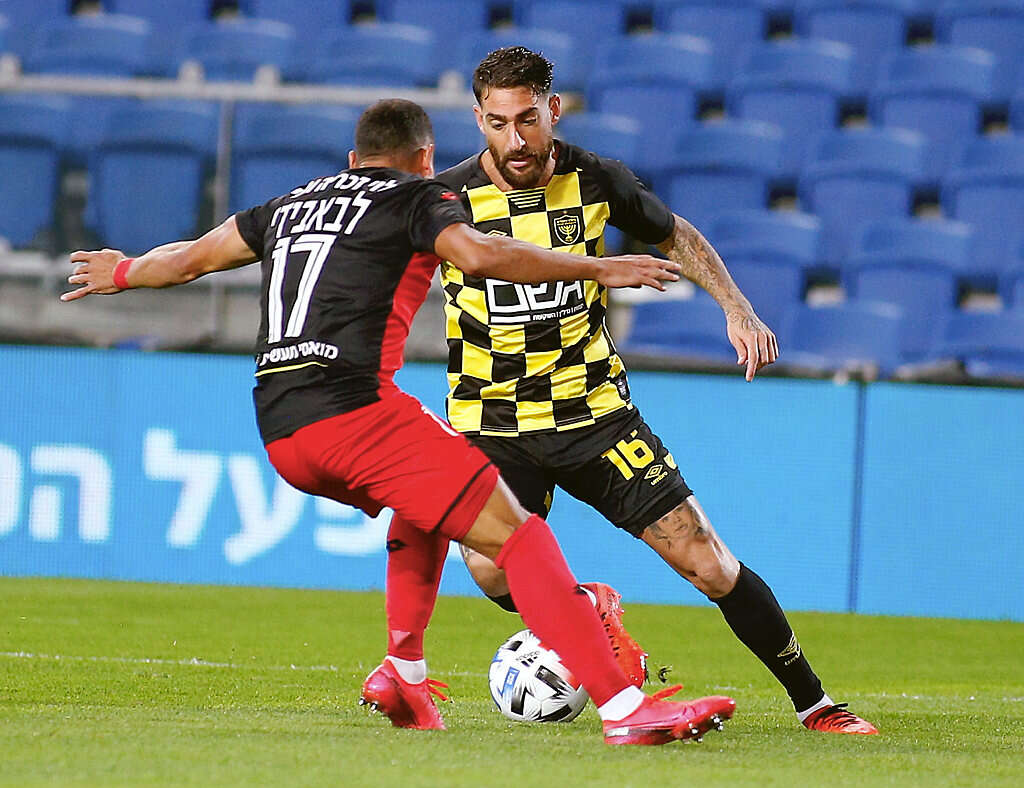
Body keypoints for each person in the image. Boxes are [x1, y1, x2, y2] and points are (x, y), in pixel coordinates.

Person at [61, 98, 736, 745]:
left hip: (281, 424)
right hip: (354, 411)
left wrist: (122, 272)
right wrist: (598, 266)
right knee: (520, 536)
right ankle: (625, 710)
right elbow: (482, 256)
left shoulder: (288, 204)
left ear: (354, 160)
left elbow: (190, 259)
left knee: (430, 498)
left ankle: (403, 674)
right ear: (425, 158)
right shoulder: (417, 196)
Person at [406, 47, 875, 735]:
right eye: (499, 123)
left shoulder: (598, 179)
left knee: (706, 560)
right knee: (490, 571)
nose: (516, 139)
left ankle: (816, 703)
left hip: (595, 414)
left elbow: (675, 235)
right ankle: (590, 609)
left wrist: (737, 308)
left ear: (553, 110)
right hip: (492, 421)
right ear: (479, 120)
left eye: (528, 120)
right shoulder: (445, 200)